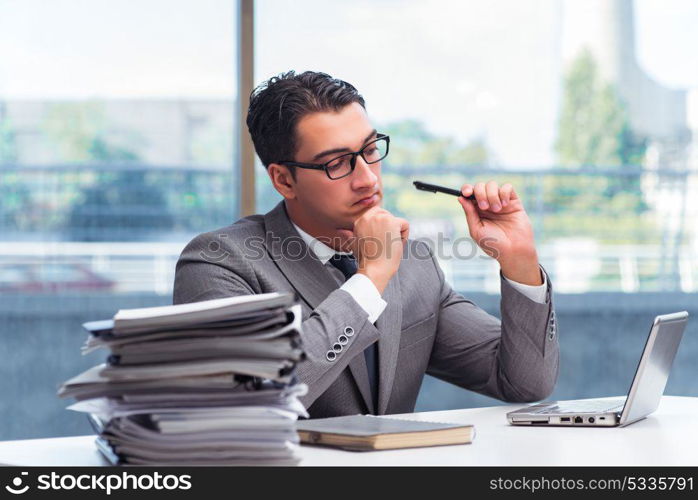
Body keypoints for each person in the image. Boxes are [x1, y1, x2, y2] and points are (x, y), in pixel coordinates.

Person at [174, 71, 559, 418]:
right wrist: (370, 279)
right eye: (337, 164)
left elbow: (524, 383)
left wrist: (519, 262)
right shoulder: (218, 263)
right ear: (283, 180)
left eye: (370, 151)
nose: (367, 180)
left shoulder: (413, 262)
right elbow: (248, 398)